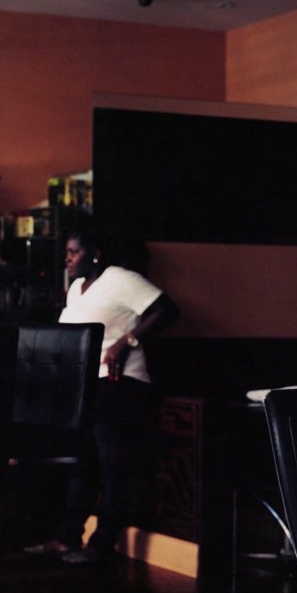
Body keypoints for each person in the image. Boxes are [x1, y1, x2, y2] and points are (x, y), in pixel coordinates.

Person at [24, 224, 179, 564]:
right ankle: (67, 538)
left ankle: (101, 545)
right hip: (86, 385)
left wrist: (127, 342)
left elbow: (167, 310)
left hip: (120, 383)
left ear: (94, 253)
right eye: (66, 252)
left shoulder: (121, 279)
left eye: (73, 252)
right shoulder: (77, 287)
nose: (67, 259)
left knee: (113, 466)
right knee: (84, 463)